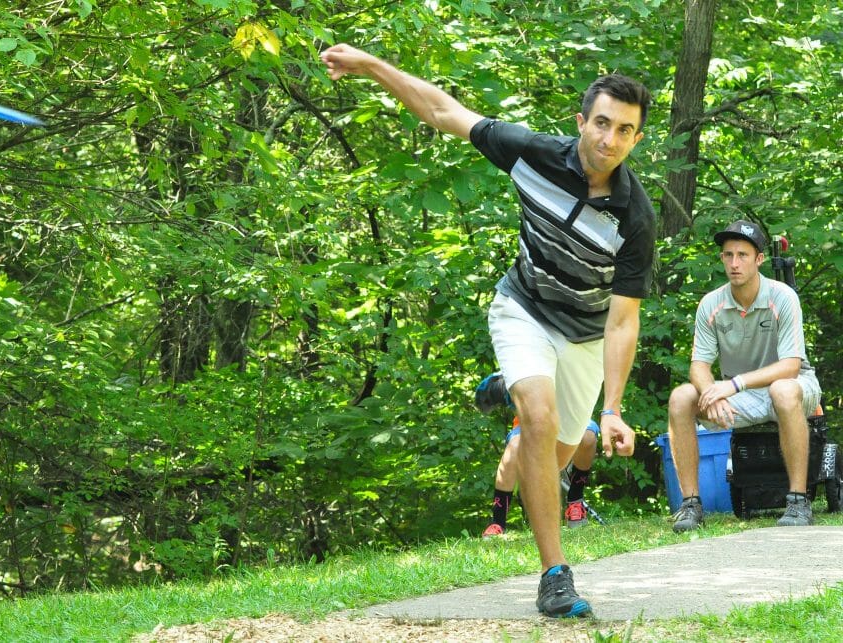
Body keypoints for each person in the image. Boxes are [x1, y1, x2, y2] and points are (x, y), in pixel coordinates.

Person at [321, 44, 654, 618]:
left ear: (635, 140)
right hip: (523, 307)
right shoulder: (533, 153)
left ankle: (505, 386)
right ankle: (555, 576)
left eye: (625, 131)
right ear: (582, 122)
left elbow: (623, 318)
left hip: (584, 337)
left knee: (553, 455)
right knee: (539, 419)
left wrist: (614, 409)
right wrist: (373, 65)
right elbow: (445, 112)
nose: (609, 139)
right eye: (602, 123)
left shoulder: (635, 215)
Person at [666, 220, 822, 531]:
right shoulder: (711, 304)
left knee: (782, 389)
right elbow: (699, 366)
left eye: (743, 255)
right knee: (681, 396)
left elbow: (791, 365)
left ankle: (797, 501)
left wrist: (732, 384)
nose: (734, 263)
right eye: (728, 255)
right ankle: (690, 505)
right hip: (737, 394)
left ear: (759, 259)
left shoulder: (782, 297)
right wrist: (711, 392)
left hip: (794, 387)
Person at [476, 375, 599, 536]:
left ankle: (575, 502)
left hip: (567, 417)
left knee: (588, 436)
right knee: (513, 448)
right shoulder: (519, 367)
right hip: (528, 423)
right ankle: (498, 523)